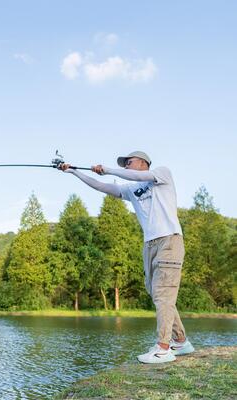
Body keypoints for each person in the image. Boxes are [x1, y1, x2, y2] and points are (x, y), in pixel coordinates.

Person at [58, 151, 194, 364]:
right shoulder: (131, 190)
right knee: (156, 293)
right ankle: (180, 341)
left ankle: (163, 348)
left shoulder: (161, 174)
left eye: (128, 163)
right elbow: (102, 186)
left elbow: (136, 176)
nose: (126, 166)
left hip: (170, 240)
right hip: (149, 244)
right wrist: (74, 172)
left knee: (163, 294)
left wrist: (109, 170)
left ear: (143, 162)